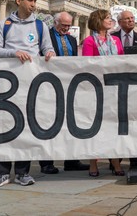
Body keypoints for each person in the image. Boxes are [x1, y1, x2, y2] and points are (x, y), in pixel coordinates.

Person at [0, 0, 56, 189]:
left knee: (26, 126)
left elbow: (47, 47)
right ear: (18, 1)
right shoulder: (4, 24)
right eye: (30, 0)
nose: (34, 4)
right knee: (4, 126)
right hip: (7, 83)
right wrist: (14, 53)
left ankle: (22, 172)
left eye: (35, 0)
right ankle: (2, 172)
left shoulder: (40, 25)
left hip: (31, 82)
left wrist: (50, 54)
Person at [40, 11, 89, 173]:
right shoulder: (46, 36)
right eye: (64, 25)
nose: (67, 29)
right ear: (55, 23)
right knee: (48, 124)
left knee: (71, 123)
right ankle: (46, 163)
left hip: (69, 84)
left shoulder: (72, 39)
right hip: (49, 84)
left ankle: (71, 161)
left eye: (69, 26)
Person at [82, 9, 126, 177]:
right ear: (98, 21)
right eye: (108, 18)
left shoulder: (116, 40)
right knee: (96, 127)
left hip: (115, 89)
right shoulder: (89, 42)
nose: (111, 20)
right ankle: (93, 162)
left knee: (113, 127)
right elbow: (87, 65)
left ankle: (114, 160)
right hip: (97, 90)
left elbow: (123, 61)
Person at [111, 10, 137, 168]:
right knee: (116, 123)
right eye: (128, 19)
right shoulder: (112, 38)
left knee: (135, 123)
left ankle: (136, 158)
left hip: (136, 86)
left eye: (133, 18)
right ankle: (115, 160)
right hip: (115, 85)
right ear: (120, 22)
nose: (132, 21)